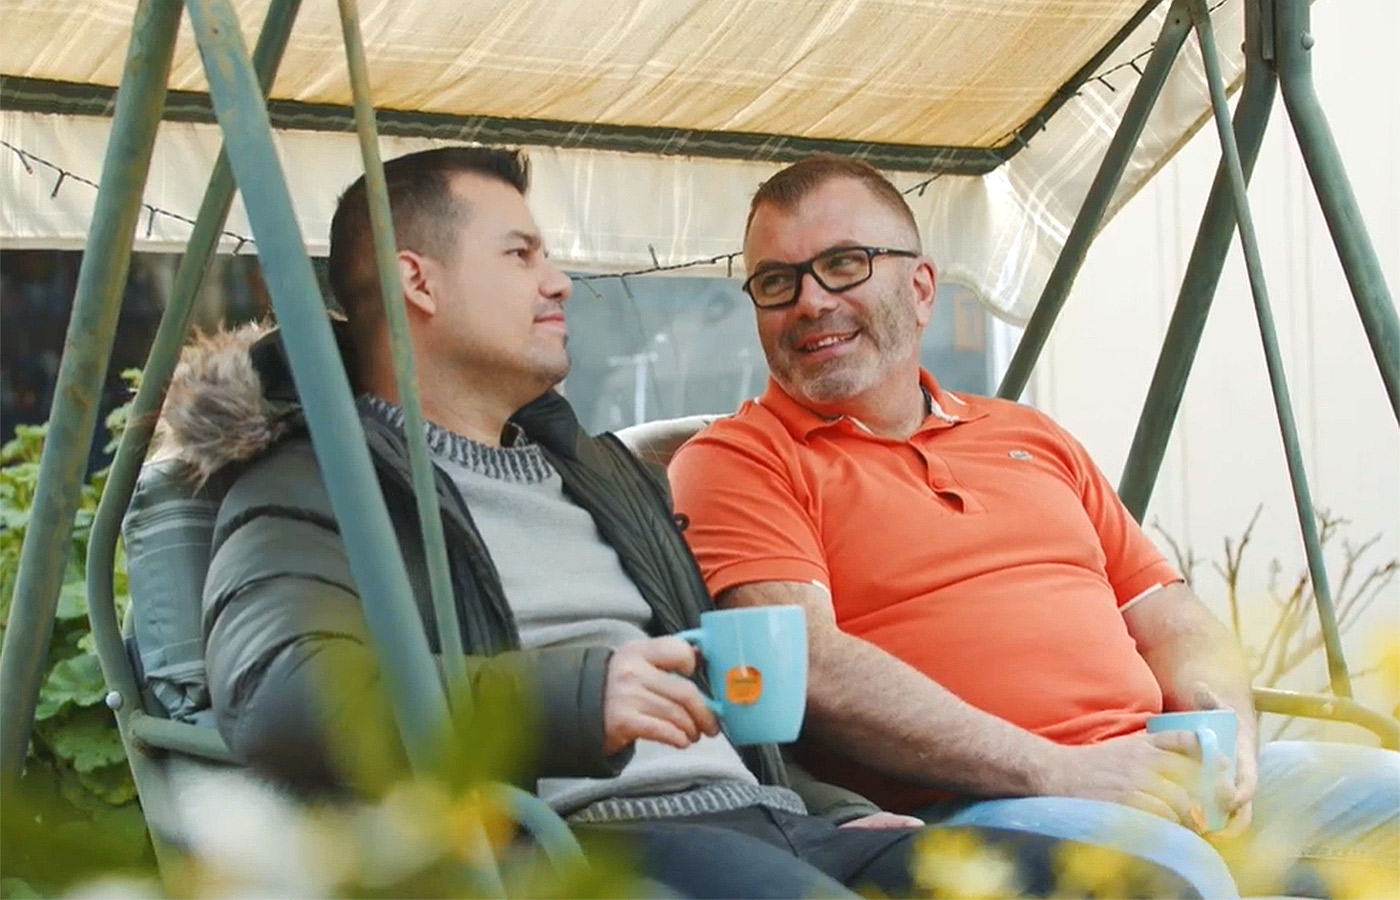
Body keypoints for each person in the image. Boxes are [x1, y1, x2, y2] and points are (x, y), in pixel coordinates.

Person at [156, 146, 1192, 899]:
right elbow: (284, 701)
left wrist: (824, 805)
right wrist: (581, 692)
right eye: (520, 254)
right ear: (412, 277)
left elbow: (733, 680)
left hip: (775, 829)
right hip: (583, 845)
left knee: (1138, 888)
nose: (558, 280)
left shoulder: (591, 473)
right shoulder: (310, 481)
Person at [667, 153, 1400, 898]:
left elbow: (1173, 617)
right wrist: (1062, 768)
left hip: (1151, 763)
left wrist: (1232, 732)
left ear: (920, 289)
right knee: (1173, 876)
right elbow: (808, 664)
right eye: (776, 282)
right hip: (983, 804)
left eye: (843, 265)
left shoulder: (1029, 435)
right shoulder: (739, 458)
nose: (810, 301)